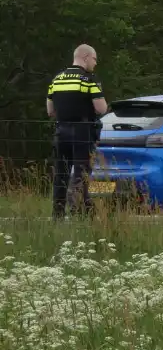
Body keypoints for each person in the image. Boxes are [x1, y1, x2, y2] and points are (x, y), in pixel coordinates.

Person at [46, 44, 108, 219]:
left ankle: (57, 214)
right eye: (95, 60)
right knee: (81, 173)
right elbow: (101, 108)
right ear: (86, 57)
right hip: (82, 131)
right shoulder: (89, 79)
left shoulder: (57, 79)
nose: (95, 64)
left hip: (61, 130)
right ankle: (78, 212)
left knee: (61, 174)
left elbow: (50, 111)